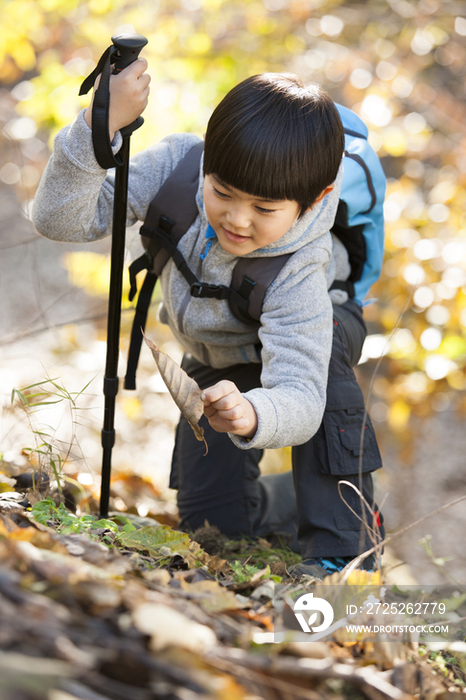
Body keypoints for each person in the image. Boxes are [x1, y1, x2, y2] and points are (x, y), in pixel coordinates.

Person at [32, 58, 384, 579]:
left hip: (314, 340)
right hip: (222, 352)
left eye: (265, 209)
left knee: (326, 359)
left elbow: (302, 396)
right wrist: (96, 127)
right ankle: (286, 503)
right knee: (212, 526)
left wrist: (255, 413)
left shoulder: (303, 269)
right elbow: (61, 219)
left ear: (315, 200)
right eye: (222, 193)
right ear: (206, 167)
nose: (237, 219)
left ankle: (345, 547)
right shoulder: (177, 170)